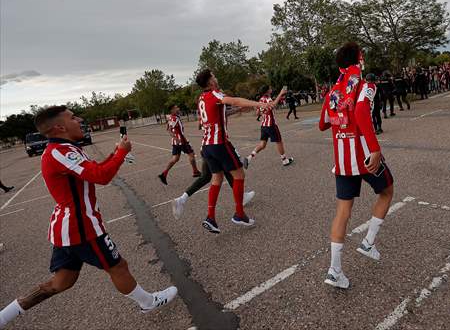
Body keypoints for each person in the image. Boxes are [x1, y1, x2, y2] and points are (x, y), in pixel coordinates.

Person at [0, 106, 177, 328]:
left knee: (61, 282)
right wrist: (121, 153)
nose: (79, 120)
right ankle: (148, 302)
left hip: (68, 228)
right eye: (73, 117)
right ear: (60, 127)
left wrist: (115, 154)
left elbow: (94, 170)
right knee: (118, 266)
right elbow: (100, 176)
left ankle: (3, 317)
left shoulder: (64, 148)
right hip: (81, 226)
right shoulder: (59, 152)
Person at [318, 42, 394, 289]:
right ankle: (369, 242)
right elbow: (361, 110)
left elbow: (322, 123)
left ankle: (335, 270)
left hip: (342, 160)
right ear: (359, 59)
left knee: (343, 211)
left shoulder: (333, 92)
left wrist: (340, 117)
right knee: (387, 191)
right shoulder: (365, 85)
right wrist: (375, 148)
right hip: (363, 155)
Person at [195, 69, 270, 233]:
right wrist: (259, 103)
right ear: (210, 82)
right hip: (219, 143)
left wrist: (238, 110)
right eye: (214, 76)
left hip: (206, 146)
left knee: (217, 178)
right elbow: (234, 100)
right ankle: (239, 214)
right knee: (239, 175)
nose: (216, 78)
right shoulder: (215, 94)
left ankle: (211, 217)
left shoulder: (202, 98)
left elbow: (220, 112)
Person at [244, 85, 294, 168]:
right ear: (267, 91)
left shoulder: (260, 100)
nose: (271, 89)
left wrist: (261, 111)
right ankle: (284, 160)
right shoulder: (268, 99)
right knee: (279, 141)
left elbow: (257, 113)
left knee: (262, 144)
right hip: (271, 124)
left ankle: (249, 157)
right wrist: (281, 93)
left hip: (263, 125)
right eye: (270, 88)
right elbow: (273, 105)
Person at [158, 105, 201, 185]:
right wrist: (176, 138)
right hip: (181, 141)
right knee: (191, 154)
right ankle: (195, 171)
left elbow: (167, 129)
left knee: (175, 158)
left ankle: (164, 173)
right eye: (176, 107)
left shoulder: (171, 117)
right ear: (172, 110)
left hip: (176, 142)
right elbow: (170, 130)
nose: (178, 108)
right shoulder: (174, 118)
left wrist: (175, 138)